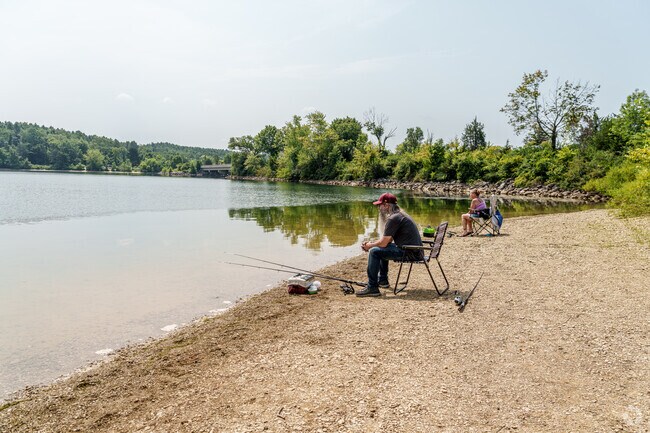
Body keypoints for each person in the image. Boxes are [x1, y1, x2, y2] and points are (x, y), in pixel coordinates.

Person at [357, 193, 423, 297]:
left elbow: (383, 243)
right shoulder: (400, 214)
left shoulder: (394, 218)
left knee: (374, 252)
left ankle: (372, 287)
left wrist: (370, 246)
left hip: (410, 252)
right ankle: (383, 281)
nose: (379, 208)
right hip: (414, 250)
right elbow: (387, 241)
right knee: (379, 248)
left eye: (380, 205)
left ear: (387, 205)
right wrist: (373, 243)